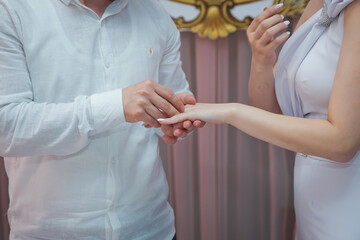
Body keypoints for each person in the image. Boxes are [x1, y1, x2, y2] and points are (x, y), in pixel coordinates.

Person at [0, 0, 203, 239]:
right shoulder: (12, 10)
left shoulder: (155, 11)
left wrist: (175, 122)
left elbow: (172, 102)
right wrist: (115, 106)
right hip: (50, 232)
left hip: (152, 229)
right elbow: (7, 126)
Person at [159, 0, 360, 239]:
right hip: (314, 199)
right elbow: (274, 113)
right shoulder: (319, 3)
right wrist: (261, 59)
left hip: (348, 199)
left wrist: (230, 112)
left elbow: (342, 144)